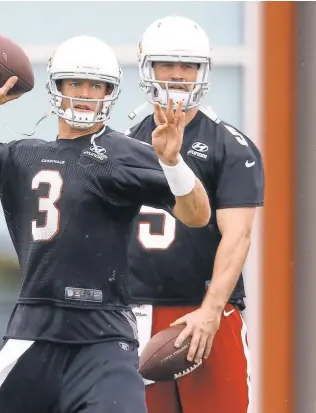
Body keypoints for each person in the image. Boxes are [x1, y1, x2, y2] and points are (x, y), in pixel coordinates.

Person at [0, 35, 210, 413]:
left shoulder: (122, 153)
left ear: (110, 93)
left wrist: (174, 164)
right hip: (35, 333)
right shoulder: (23, 155)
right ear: (56, 87)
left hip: (103, 337)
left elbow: (198, 214)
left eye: (96, 85)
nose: (85, 93)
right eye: (75, 82)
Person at [126, 16, 265, 413]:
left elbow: (237, 237)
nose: (177, 75)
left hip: (207, 311)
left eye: (188, 65)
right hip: (135, 311)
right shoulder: (123, 143)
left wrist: (209, 311)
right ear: (148, 68)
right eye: (167, 64)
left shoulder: (230, 146)